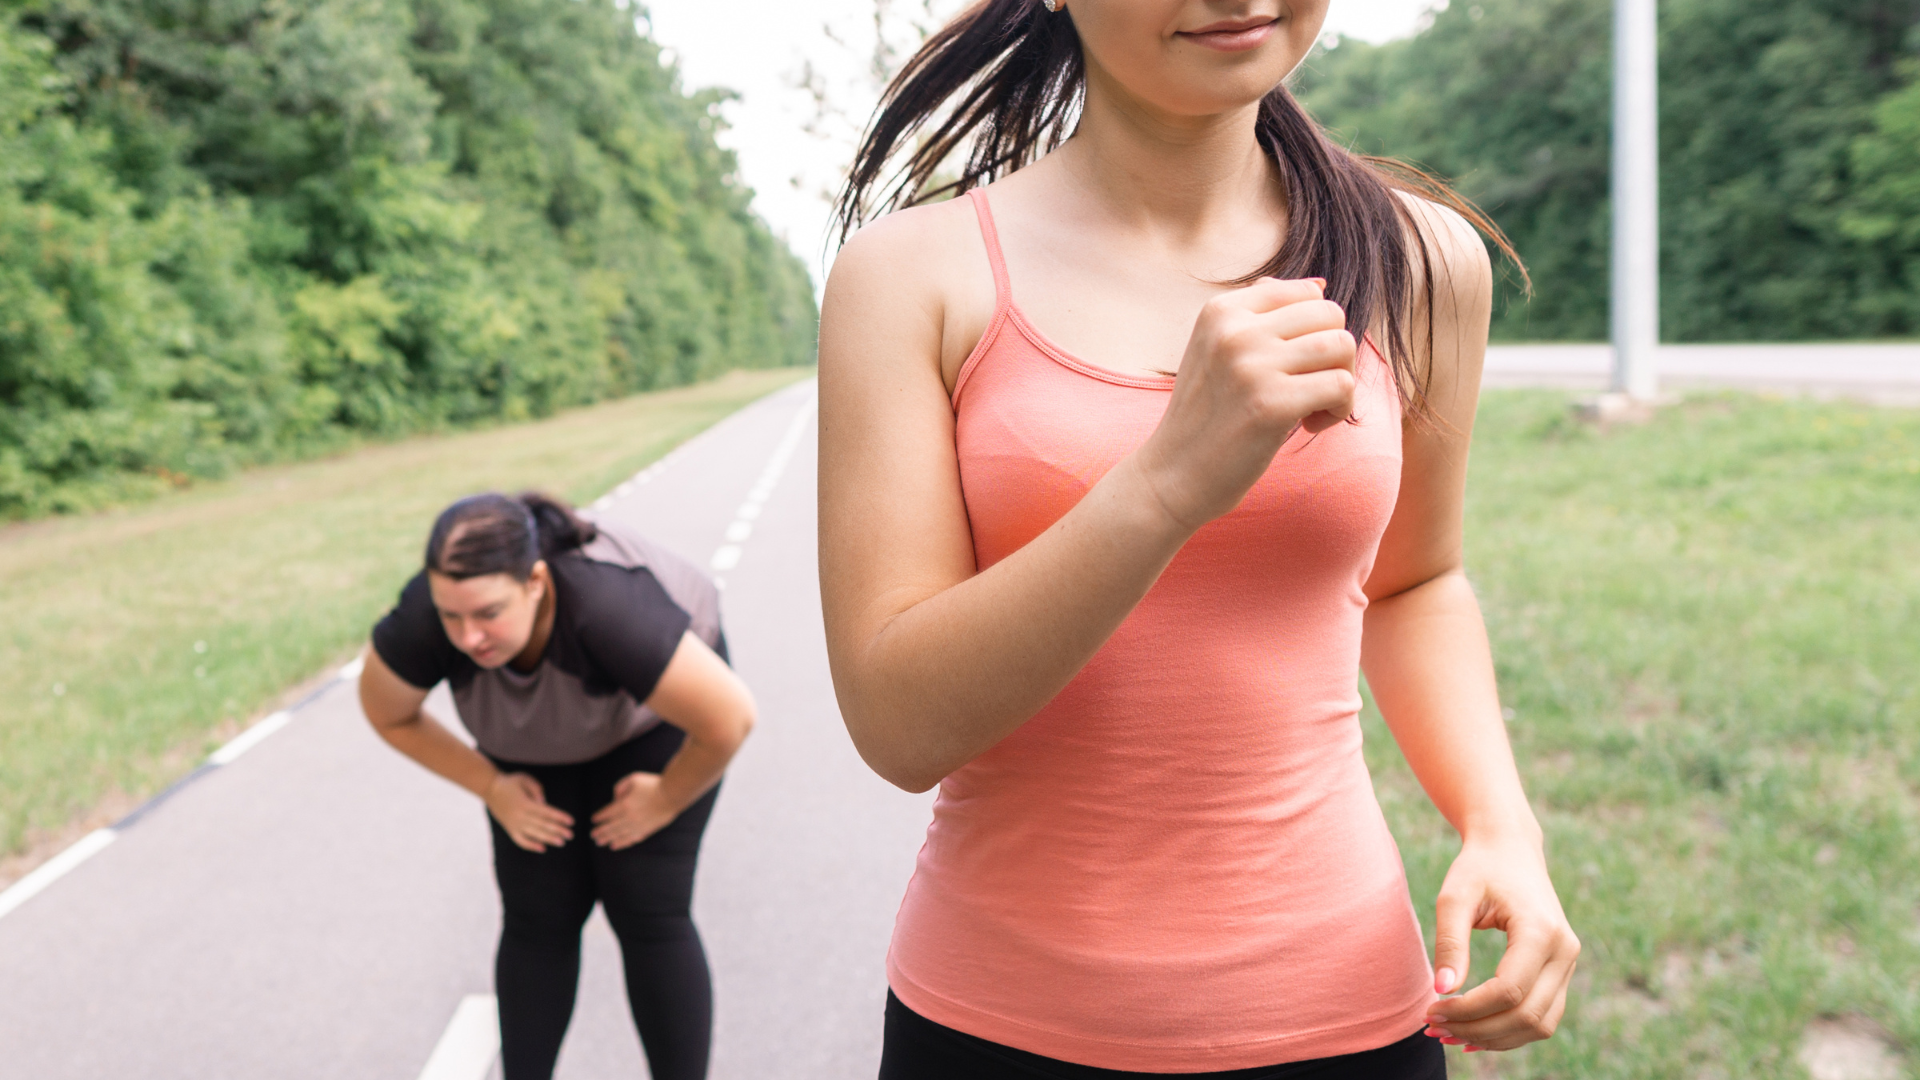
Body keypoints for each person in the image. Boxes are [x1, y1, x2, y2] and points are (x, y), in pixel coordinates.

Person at [818, 1, 1580, 1077]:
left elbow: (1415, 584)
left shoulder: (1421, 258)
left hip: (1348, 1015)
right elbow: (898, 724)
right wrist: (1168, 482)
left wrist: (1502, 825)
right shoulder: (910, 277)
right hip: (996, 1027)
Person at [357, 491, 752, 1080]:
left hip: (651, 726)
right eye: (452, 618)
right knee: (538, 917)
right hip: (529, 743)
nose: (468, 637)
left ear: (536, 582)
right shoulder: (433, 616)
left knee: (646, 908)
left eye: (488, 613)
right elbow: (388, 712)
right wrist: (491, 786)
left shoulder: (605, 604)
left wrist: (665, 796)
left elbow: (730, 718)